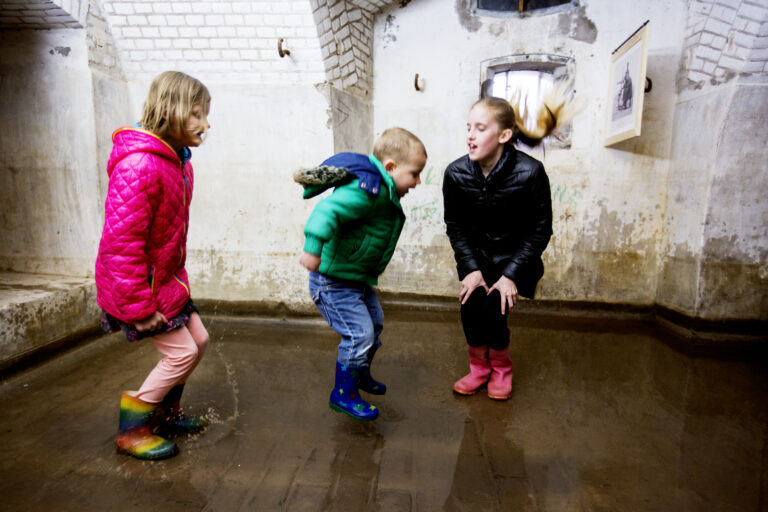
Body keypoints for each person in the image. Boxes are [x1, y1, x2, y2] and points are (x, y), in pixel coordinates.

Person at [95, 71, 212, 460]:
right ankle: (132, 429)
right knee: (180, 353)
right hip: (139, 291)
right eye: (196, 114)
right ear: (170, 111)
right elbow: (120, 246)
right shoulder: (140, 165)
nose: (205, 124)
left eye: (205, 115)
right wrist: (139, 309)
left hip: (166, 283)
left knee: (199, 342)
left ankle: (165, 413)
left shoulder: (178, 162)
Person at [443, 86, 576, 400]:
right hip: (475, 259)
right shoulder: (455, 173)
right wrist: (471, 270)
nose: (470, 136)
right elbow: (456, 228)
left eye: (480, 128)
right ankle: (479, 369)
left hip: (515, 261)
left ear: (503, 136)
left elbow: (539, 232)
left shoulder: (531, 172)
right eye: (468, 128)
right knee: (470, 306)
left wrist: (511, 276)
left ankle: (501, 368)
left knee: (494, 309)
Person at [295, 127, 427, 421]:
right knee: (359, 335)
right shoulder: (368, 191)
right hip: (332, 283)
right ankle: (343, 394)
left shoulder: (382, 191)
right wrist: (313, 248)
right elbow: (327, 210)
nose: (418, 181)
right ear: (391, 167)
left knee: (375, 325)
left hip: (354, 280)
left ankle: (359, 375)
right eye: (415, 173)